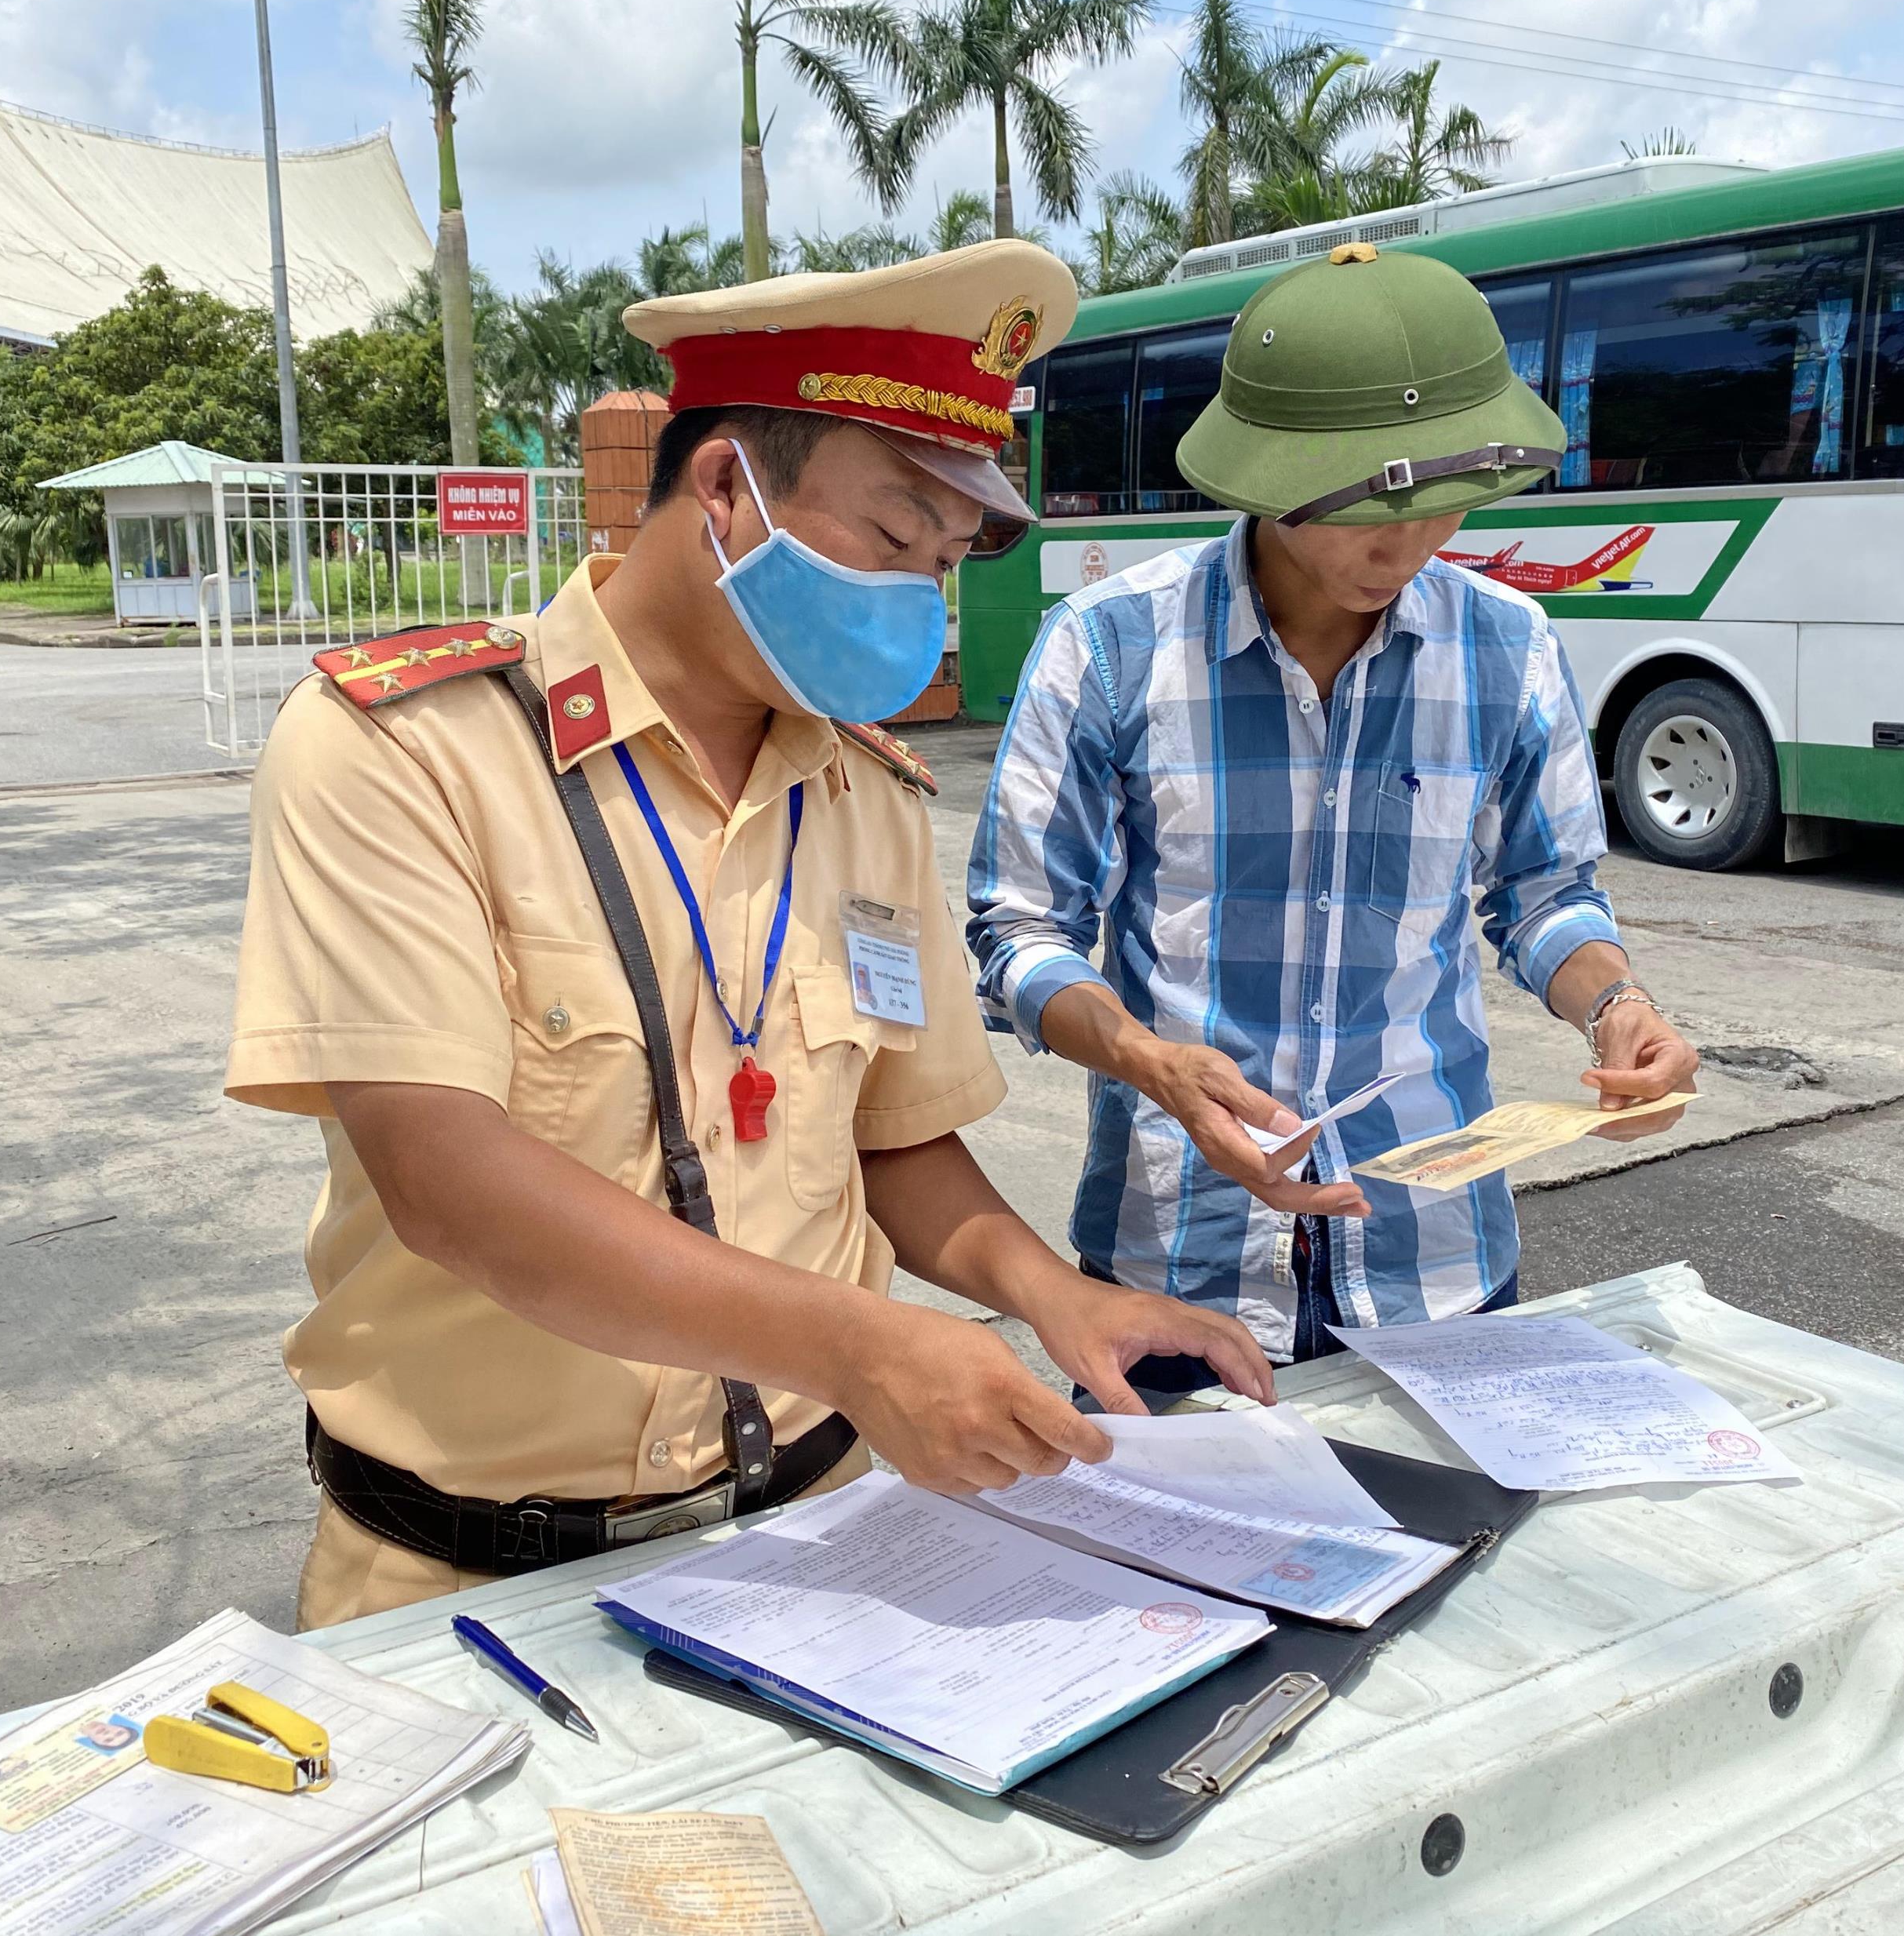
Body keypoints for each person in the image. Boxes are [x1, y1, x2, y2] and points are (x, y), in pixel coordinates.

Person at [228, 240, 1271, 1628]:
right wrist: (864, 1345)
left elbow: (891, 1139)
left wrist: (1054, 1293)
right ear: (723, 488)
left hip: (829, 1542)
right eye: (897, 539)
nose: (923, 601)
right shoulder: (411, 754)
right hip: (468, 1582)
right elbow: (451, 1185)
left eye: (949, 562)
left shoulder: (868, 793)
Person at [967, 242, 1699, 1394]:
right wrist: (1149, 1061)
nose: (1403, 543)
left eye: (1444, 500)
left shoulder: (1507, 649)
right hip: (1178, 1263)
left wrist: (1617, 1005)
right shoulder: (1108, 649)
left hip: (1435, 1264)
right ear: (1265, 477)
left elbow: (1544, 896)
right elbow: (1018, 931)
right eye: (1362, 503)